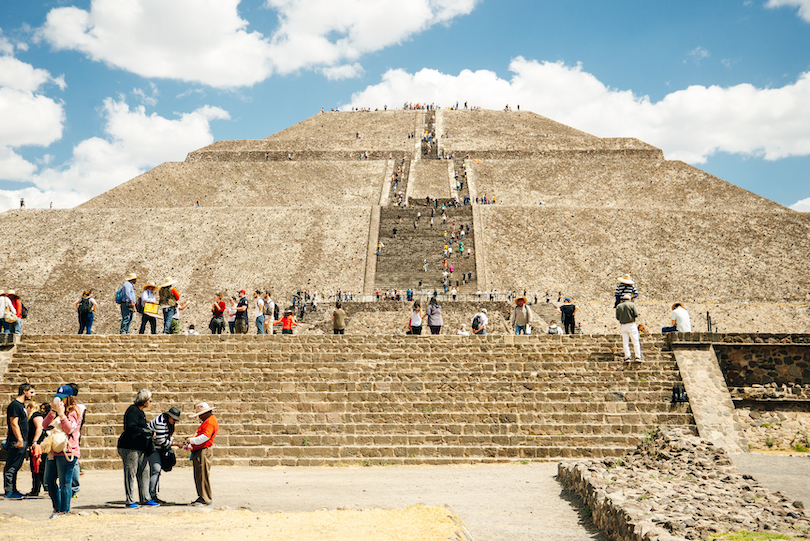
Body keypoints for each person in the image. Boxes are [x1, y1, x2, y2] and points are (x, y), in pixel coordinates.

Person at [42, 388, 81, 518]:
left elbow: (69, 429)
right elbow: (45, 425)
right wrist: (53, 411)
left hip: (67, 452)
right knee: (49, 480)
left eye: (63, 398)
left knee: (65, 483)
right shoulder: (56, 411)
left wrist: (62, 414)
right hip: (54, 451)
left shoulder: (74, 412)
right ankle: (56, 509)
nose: (60, 400)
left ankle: (64, 511)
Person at [117, 389, 158, 508]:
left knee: (144, 472)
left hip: (141, 448)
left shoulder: (140, 412)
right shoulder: (133, 411)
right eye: (149, 400)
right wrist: (146, 432)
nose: (150, 402)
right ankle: (130, 500)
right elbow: (131, 428)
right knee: (131, 473)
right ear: (144, 400)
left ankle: (145, 498)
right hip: (130, 447)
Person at [184, 402, 219, 507]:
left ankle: (205, 499)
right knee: (200, 475)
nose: (199, 417)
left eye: (200, 414)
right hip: (200, 450)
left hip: (203, 451)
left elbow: (205, 437)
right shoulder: (209, 420)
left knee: (202, 475)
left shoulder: (209, 422)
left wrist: (191, 440)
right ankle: (202, 497)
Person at [5, 383, 35, 498]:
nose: (32, 395)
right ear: (24, 391)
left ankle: (14, 489)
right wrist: (19, 439)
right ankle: (9, 491)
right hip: (17, 440)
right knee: (11, 466)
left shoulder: (21, 405)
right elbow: (14, 423)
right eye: (31, 392)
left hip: (22, 440)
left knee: (16, 466)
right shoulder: (15, 405)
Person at [147, 406, 181, 504]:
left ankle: (152, 494)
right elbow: (161, 441)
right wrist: (176, 444)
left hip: (159, 448)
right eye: (174, 419)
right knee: (156, 469)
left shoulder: (166, 421)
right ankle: (151, 495)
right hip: (152, 448)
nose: (175, 421)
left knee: (156, 470)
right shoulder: (160, 422)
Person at [26, 402, 50, 497]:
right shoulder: (35, 416)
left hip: (39, 445)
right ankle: (35, 489)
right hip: (37, 444)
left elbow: (39, 427)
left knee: (40, 467)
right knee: (36, 468)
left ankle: (46, 488)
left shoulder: (36, 415)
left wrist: (35, 442)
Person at [616, 293, 642, 363]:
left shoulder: (619, 306)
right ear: (629, 299)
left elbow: (617, 317)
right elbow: (636, 314)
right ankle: (637, 356)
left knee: (625, 342)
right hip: (631, 324)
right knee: (635, 342)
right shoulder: (632, 304)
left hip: (623, 325)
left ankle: (627, 357)